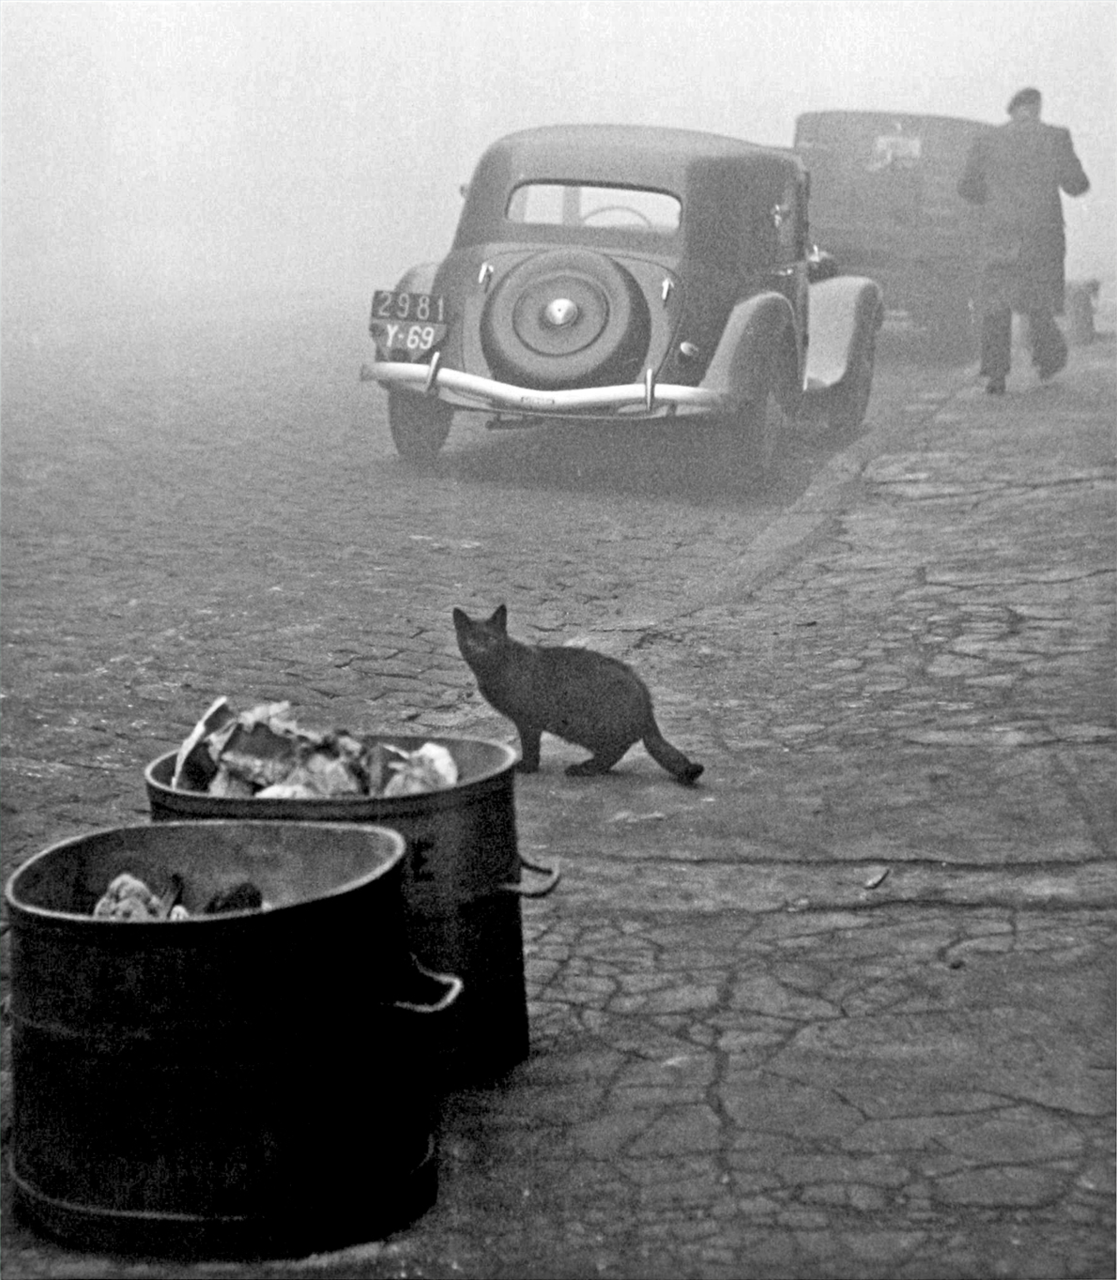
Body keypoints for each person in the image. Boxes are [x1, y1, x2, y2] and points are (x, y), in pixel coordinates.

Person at [958, 88, 1090, 394]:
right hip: (1042, 236)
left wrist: (994, 201)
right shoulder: (1056, 137)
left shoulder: (987, 140)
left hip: (1000, 234)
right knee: (1039, 300)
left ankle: (995, 375)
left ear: (1013, 109)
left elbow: (967, 188)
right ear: (1036, 108)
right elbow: (1076, 185)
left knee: (996, 303)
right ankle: (1048, 359)